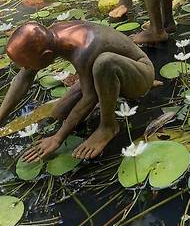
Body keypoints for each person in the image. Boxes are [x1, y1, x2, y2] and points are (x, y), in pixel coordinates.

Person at [0, 20, 154, 160]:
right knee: (59, 112)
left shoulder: (84, 50)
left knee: (104, 63)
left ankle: (108, 126)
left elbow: (89, 97)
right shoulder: (48, 37)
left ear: (46, 56)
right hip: (103, 73)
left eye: (27, 65)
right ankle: (107, 91)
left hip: (140, 73)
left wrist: (57, 138)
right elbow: (23, 79)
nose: (26, 68)